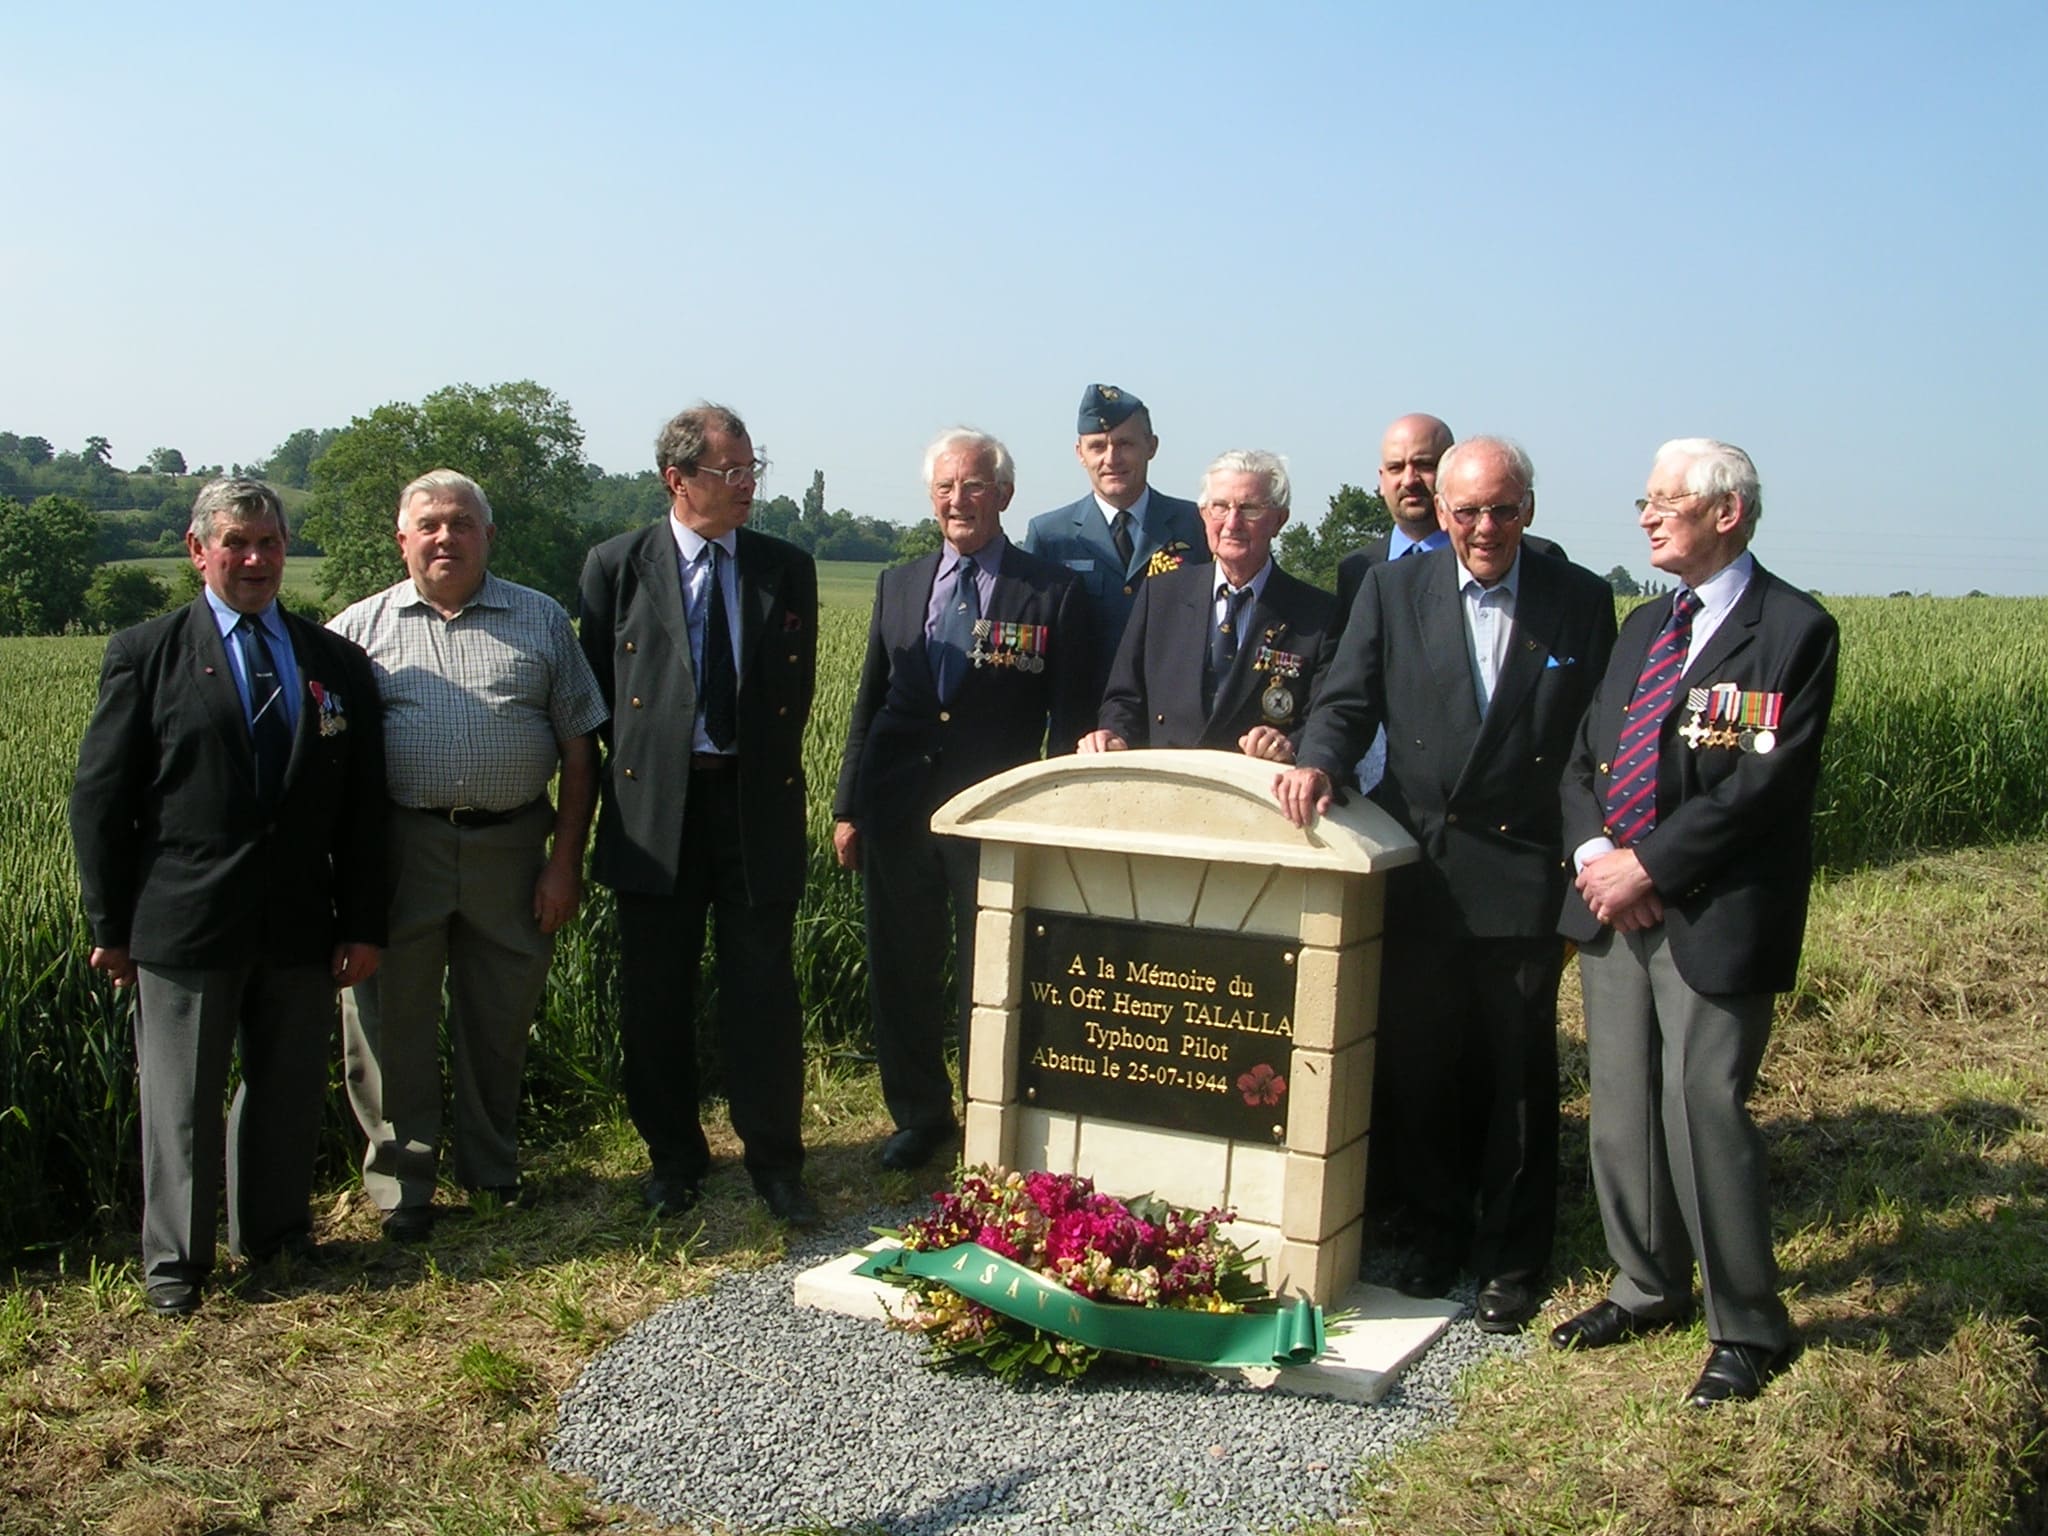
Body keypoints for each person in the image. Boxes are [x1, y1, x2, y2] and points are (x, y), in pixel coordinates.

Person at [1273, 437, 1617, 1332]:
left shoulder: (1576, 598)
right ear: (1444, 512)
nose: (1484, 529)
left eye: (1502, 510)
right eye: (1467, 512)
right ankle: (1431, 1232)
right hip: (1422, 865)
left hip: (1523, 869)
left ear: (1529, 509)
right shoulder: (1393, 590)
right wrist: (1317, 762)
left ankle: (1511, 1255)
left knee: (1516, 1074)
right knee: (1421, 1063)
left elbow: (1598, 742)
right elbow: (1346, 699)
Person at [1552, 439, 1838, 1407]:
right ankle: (1642, 1286)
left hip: (1710, 913)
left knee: (1701, 1107)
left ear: (1729, 512)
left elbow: (1758, 791)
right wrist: (1596, 858)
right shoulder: (1640, 626)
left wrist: (1649, 866)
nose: (1646, 515)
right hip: (1611, 911)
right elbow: (1584, 759)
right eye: (1644, 498)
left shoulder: (1791, 631)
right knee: (1621, 1106)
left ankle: (1747, 1324)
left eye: (1667, 499)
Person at [69, 477, 387, 1315]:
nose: (255, 559)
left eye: (270, 543)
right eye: (237, 543)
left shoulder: (335, 663)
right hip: (184, 921)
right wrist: (110, 923)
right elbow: (101, 798)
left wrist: (360, 921)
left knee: (284, 1093)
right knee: (179, 1103)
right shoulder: (147, 653)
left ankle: (277, 1239)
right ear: (198, 549)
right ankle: (177, 1267)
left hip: (298, 922)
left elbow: (361, 808)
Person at [328, 470, 606, 1242]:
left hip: (514, 847)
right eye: (430, 525)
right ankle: (401, 1188)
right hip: (400, 851)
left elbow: (581, 753)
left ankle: (491, 1170)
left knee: (498, 1018)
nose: (445, 537)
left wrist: (565, 861)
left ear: (488, 535)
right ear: (403, 539)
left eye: (462, 523)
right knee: (390, 1024)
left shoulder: (541, 621)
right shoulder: (357, 630)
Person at [578, 404, 819, 1226]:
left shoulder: (786, 567)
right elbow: (598, 698)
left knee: (763, 990)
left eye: (754, 469)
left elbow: (795, 695)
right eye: (730, 471)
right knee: (657, 995)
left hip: (754, 809)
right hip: (656, 814)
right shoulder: (616, 567)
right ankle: (674, 1157)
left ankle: (776, 1161)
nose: (748, 484)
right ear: (677, 480)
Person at [834, 428, 1092, 1171]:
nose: (959, 500)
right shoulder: (900, 582)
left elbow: (1071, 722)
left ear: (1004, 495)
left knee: (994, 973)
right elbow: (869, 704)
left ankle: (992, 1113)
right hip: (898, 808)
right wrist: (849, 808)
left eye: (975, 486)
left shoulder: (1050, 590)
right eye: (946, 487)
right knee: (902, 967)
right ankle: (919, 1114)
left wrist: (1057, 820)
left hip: (996, 817)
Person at [1080, 448, 1336, 760]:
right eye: (1220, 507)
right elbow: (1124, 698)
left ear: (1279, 520)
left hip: (1256, 794)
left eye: (1250, 509)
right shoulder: (1161, 596)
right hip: (1168, 789)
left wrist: (1290, 744)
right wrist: (1114, 735)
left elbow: (1326, 719)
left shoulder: (1318, 615)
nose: (1232, 522)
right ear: (1203, 515)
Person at [1021, 383, 1206, 696]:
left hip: (1172, 715)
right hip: (1083, 722)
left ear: (1152, 445)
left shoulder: (1197, 525)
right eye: (1097, 446)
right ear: (1080, 453)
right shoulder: (1050, 536)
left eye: (1125, 444)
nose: (1112, 458)